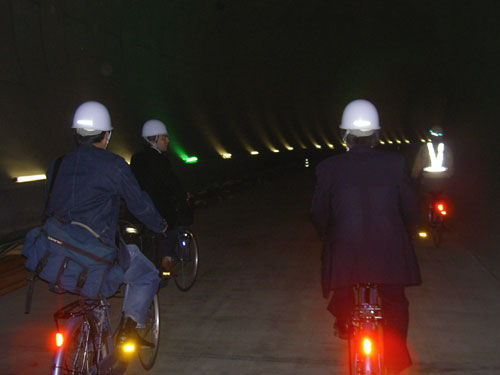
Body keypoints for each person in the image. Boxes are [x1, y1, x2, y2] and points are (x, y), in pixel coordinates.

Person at [311, 99, 421, 375]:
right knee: (395, 302)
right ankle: (395, 362)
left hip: (347, 250)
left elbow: (318, 211)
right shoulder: (395, 163)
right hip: (390, 251)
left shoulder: (328, 167)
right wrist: (405, 235)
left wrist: (329, 238)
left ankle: (346, 324)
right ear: (376, 135)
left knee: (345, 287)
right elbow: (410, 207)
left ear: (345, 135)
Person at [45, 101, 167, 347]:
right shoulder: (114, 165)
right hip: (96, 253)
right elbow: (139, 204)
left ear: (76, 134)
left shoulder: (56, 165)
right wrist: (160, 225)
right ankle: (128, 329)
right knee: (147, 275)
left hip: (56, 253)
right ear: (107, 135)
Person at [130, 119, 191, 277]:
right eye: (164, 137)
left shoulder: (136, 159)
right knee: (176, 225)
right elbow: (172, 184)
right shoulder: (161, 160)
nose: (168, 140)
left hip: (139, 209)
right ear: (154, 139)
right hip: (159, 210)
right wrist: (183, 197)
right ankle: (167, 257)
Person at [411, 125, 454, 192]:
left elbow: (418, 164)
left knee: (423, 198)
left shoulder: (424, 148)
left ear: (430, 136)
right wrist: (450, 176)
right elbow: (450, 164)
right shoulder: (446, 148)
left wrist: (414, 176)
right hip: (443, 181)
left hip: (428, 180)